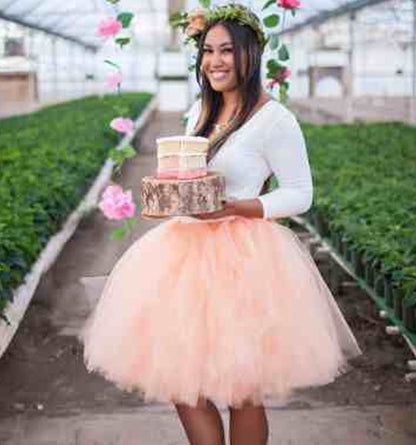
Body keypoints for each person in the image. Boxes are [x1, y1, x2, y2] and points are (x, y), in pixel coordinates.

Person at [80, 4, 361, 445]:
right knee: (180, 379)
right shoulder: (198, 111)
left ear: (250, 54)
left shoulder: (274, 119)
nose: (215, 61)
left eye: (227, 50)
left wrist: (235, 207)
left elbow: (299, 193)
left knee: (242, 389)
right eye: (208, 51)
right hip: (184, 251)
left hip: (244, 255)